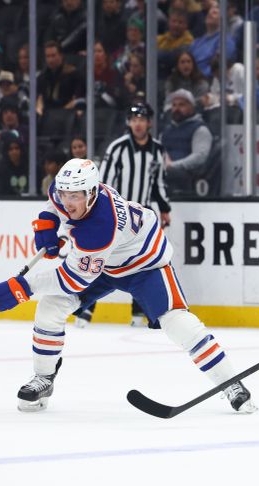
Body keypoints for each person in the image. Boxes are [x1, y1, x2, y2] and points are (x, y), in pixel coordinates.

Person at [0, 158, 258, 415]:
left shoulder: (100, 227)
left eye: (74, 197)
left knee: (178, 322)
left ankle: (230, 382)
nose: (67, 202)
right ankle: (43, 377)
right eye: (65, 194)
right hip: (105, 263)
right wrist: (47, 223)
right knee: (50, 307)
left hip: (145, 265)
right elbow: (53, 202)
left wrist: (21, 287)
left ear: (91, 193)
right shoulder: (68, 191)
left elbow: (73, 280)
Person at [71, 101, 171, 328]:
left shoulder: (157, 150)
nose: (138, 124)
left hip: (141, 218)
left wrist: (165, 208)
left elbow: (159, 183)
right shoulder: (117, 148)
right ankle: (84, 310)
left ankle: (138, 312)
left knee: (141, 262)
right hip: (116, 217)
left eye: (142, 119)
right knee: (101, 260)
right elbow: (102, 182)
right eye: (134, 119)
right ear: (129, 122)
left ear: (149, 123)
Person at [161, 89, 212, 196]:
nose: (176, 109)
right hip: (164, 170)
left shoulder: (200, 129)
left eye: (181, 105)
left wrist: (173, 166)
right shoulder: (167, 130)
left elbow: (199, 157)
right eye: (174, 105)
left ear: (192, 107)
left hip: (186, 176)